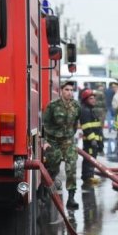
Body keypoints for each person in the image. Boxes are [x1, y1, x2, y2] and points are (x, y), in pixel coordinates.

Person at [42, 80, 81, 210]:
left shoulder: (76, 106)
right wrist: (45, 141)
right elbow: (45, 123)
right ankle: (45, 189)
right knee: (53, 167)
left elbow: (76, 123)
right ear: (61, 91)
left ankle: (71, 198)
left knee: (71, 167)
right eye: (67, 90)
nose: (69, 93)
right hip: (53, 140)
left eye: (71, 90)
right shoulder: (53, 105)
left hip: (68, 140)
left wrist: (71, 135)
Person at [79, 89, 103, 187]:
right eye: (91, 98)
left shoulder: (90, 110)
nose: (94, 100)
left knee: (92, 159)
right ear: (85, 100)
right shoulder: (85, 111)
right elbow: (86, 127)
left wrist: (100, 142)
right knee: (89, 160)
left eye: (94, 98)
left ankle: (90, 176)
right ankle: (87, 177)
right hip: (90, 141)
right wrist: (92, 139)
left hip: (94, 141)